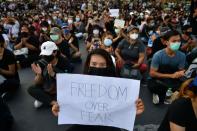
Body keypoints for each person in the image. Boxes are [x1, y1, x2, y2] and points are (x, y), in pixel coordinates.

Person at [52, 49, 144, 131]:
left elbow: (122, 108)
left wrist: (133, 109)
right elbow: (72, 104)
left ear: (108, 66)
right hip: (85, 122)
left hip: (109, 124)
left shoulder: (119, 86)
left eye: (102, 65)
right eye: (94, 64)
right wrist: (60, 109)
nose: (98, 67)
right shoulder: (79, 84)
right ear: (88, 64)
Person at [28, 41, 71, 108]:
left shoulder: (64, 62)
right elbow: (38, 83)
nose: (44, 56)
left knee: (68, 92)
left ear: (55, 52)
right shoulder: (40, 63)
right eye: (43, 55)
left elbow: (68, 81)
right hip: (47, 87)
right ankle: (54, 103)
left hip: (60, 89)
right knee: (31, 89)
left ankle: (46, 100)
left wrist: (53, 74)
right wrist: (39, 75)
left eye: (47, 54)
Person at [148, 30, 186, 104]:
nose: (177, 43)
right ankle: (164, 94)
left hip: (172, 78)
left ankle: (161, 94)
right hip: (159, 78)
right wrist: (171, 76)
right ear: (166, 42)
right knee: (152, 85)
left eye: (179, 41)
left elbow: (180, 70)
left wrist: (181, 73)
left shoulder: (182, 56)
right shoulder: (158, 55)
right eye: (174, 41)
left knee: (184, 86)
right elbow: (152, 73)